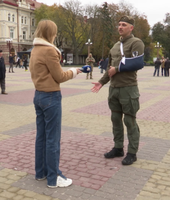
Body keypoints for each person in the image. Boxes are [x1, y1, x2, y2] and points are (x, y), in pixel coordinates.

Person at [29, 19, 81, 188]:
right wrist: (74, 71)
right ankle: (53, 178)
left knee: (41, 137)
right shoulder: (50, 51)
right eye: (55, 32)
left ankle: (40, 173)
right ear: (50, 33)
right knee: (53, 138)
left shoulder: (35, 50)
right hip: (51, 97)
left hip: (38, 95)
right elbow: (59, 76)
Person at [91, 16, 144, 165]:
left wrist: (118, 68)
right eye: (119, 24)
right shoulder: (115, 46)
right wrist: (101, 83)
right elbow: (109, 69)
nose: (120, 27)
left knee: (129, 120)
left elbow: (138, 63)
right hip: (114, 89)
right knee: (115, 119)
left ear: (131, 28)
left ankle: (132, 152)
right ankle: (118, 147)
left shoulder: (136, 43)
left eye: (124, 25)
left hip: (128, 89)